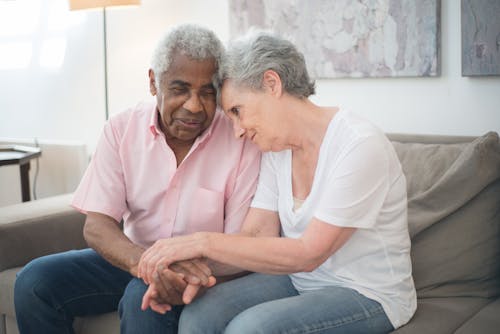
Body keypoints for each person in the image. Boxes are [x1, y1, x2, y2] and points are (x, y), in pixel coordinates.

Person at [137, 31, 417, 333]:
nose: (238, 132)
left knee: (250, 329)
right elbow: (257, 236)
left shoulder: (359, 144)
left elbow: (309, 253)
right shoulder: (276, 150)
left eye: (236, 112)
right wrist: (187, 271)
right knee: (199, 314)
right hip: (300, 281)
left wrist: (200, 241)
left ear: (272, 84)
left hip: (368, 294)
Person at [13, 24, 261, 334]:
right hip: (137, 256)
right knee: (34, 281)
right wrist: (147, 265)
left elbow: (241, 246)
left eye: (207, 92)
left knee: (139, 300)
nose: (194, 105)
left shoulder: (240, 138)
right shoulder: (121, 129)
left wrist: (178, 275)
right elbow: (98, 225)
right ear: (154, 82)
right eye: (180, 89)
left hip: (207, 272)